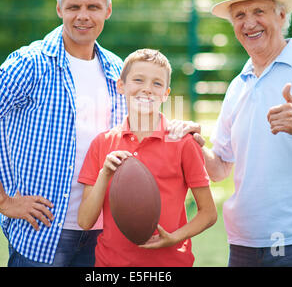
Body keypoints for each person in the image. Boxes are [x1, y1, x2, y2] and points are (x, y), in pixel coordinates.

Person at [0, 0, 127, 267]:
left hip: (103, 233)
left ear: (107, 10)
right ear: (59, 8)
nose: (83, 15)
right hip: (43, 235)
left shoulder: (117, 69)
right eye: (74, 7)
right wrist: (4, 201)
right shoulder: (29, 63)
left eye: (93, 7)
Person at [171, 0, 292, 266]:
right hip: (245, 243)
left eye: (258, 11)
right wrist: (195, 144)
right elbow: (220, 168)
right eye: (239, 15)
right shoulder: (238, 85)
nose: (249, 23)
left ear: (281, 15)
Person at [77, 49, 218, 267]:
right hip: (110, 264)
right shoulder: (102, 143)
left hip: (170, 264)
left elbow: (208, 213)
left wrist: (175, 237)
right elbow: (85, 221)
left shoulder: (182, 142)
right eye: (138, 80)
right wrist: (104, 174)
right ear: (121, 86)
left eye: (157, 84)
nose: (147, 89)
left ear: (166, 94)